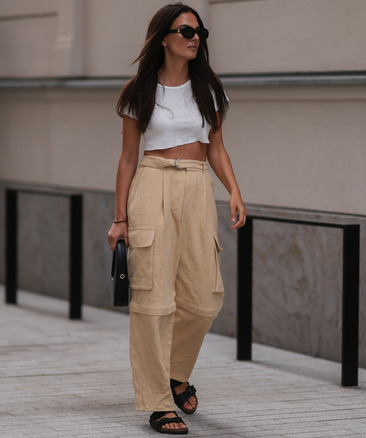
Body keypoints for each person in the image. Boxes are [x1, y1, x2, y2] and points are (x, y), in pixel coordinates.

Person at [107, 3, 246, 434]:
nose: (195, 37)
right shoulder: (139, 90)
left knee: (205, 297)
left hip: (197, 186)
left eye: (200, 31)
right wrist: (120, 218)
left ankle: (174, 370)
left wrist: (235, 191)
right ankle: (158, 401)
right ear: (163, 37)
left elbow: (217, 148)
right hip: (151, 184)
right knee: (152, 299)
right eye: (186, 30)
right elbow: (128, 158)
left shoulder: (209, 88)